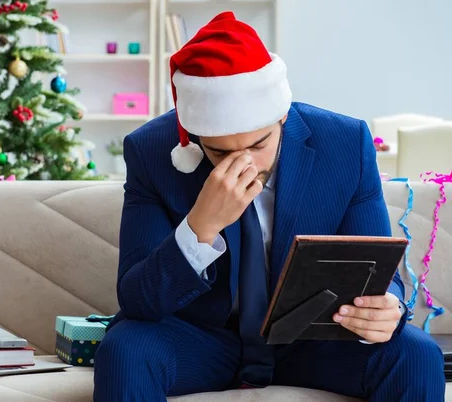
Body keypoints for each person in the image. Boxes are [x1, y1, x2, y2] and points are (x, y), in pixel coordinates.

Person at [93, 11, 445, 402]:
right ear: (194, 136)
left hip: (314, 340)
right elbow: (138, 300)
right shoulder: (151, 151)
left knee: (415, 353)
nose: (245, 165)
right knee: (125, 349)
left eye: (259, 145)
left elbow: (377, 267)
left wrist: (387, 307)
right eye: (220, 152)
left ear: (282, 115)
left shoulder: (345, 143)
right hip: (203, 340)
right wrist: (200, 227)